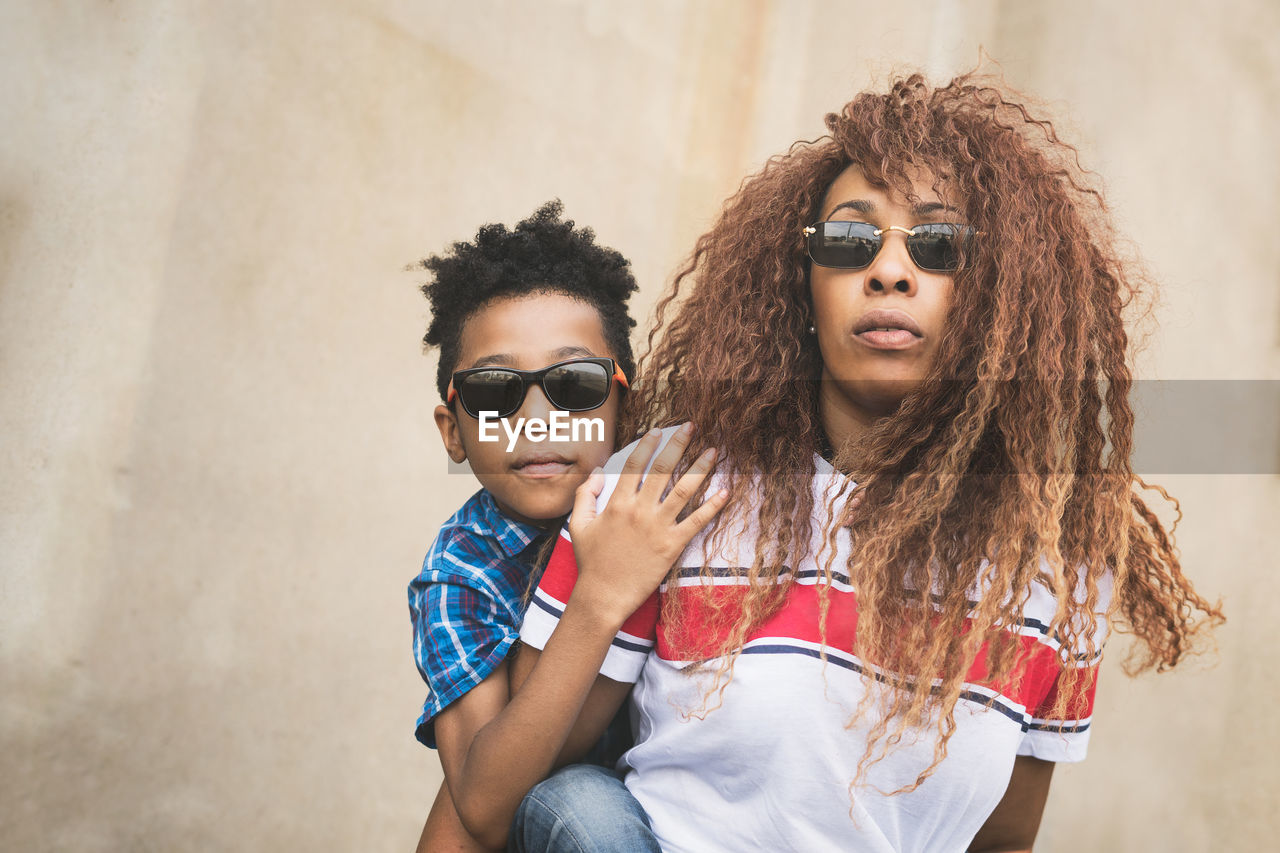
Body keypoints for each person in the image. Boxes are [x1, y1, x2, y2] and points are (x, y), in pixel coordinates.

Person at [510, 73, 1225, 852]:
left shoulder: (1060, 571)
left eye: (939, 244)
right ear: (802, 287)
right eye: (851, 240)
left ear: (996, 301)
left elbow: (1004, 840)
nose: (890, 270)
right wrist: (604, 594)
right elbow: (526, 786)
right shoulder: (674, 481)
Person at [407, 201, 727, 851]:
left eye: (573, 383)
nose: (538, 419)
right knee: (583, 805)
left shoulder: (686, 506)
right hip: (570, 820)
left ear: (626, 409)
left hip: (696, 811)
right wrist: (601, 596)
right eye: (496, 391)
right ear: (453, 431)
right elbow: (483, 806)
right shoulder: (464, 568)